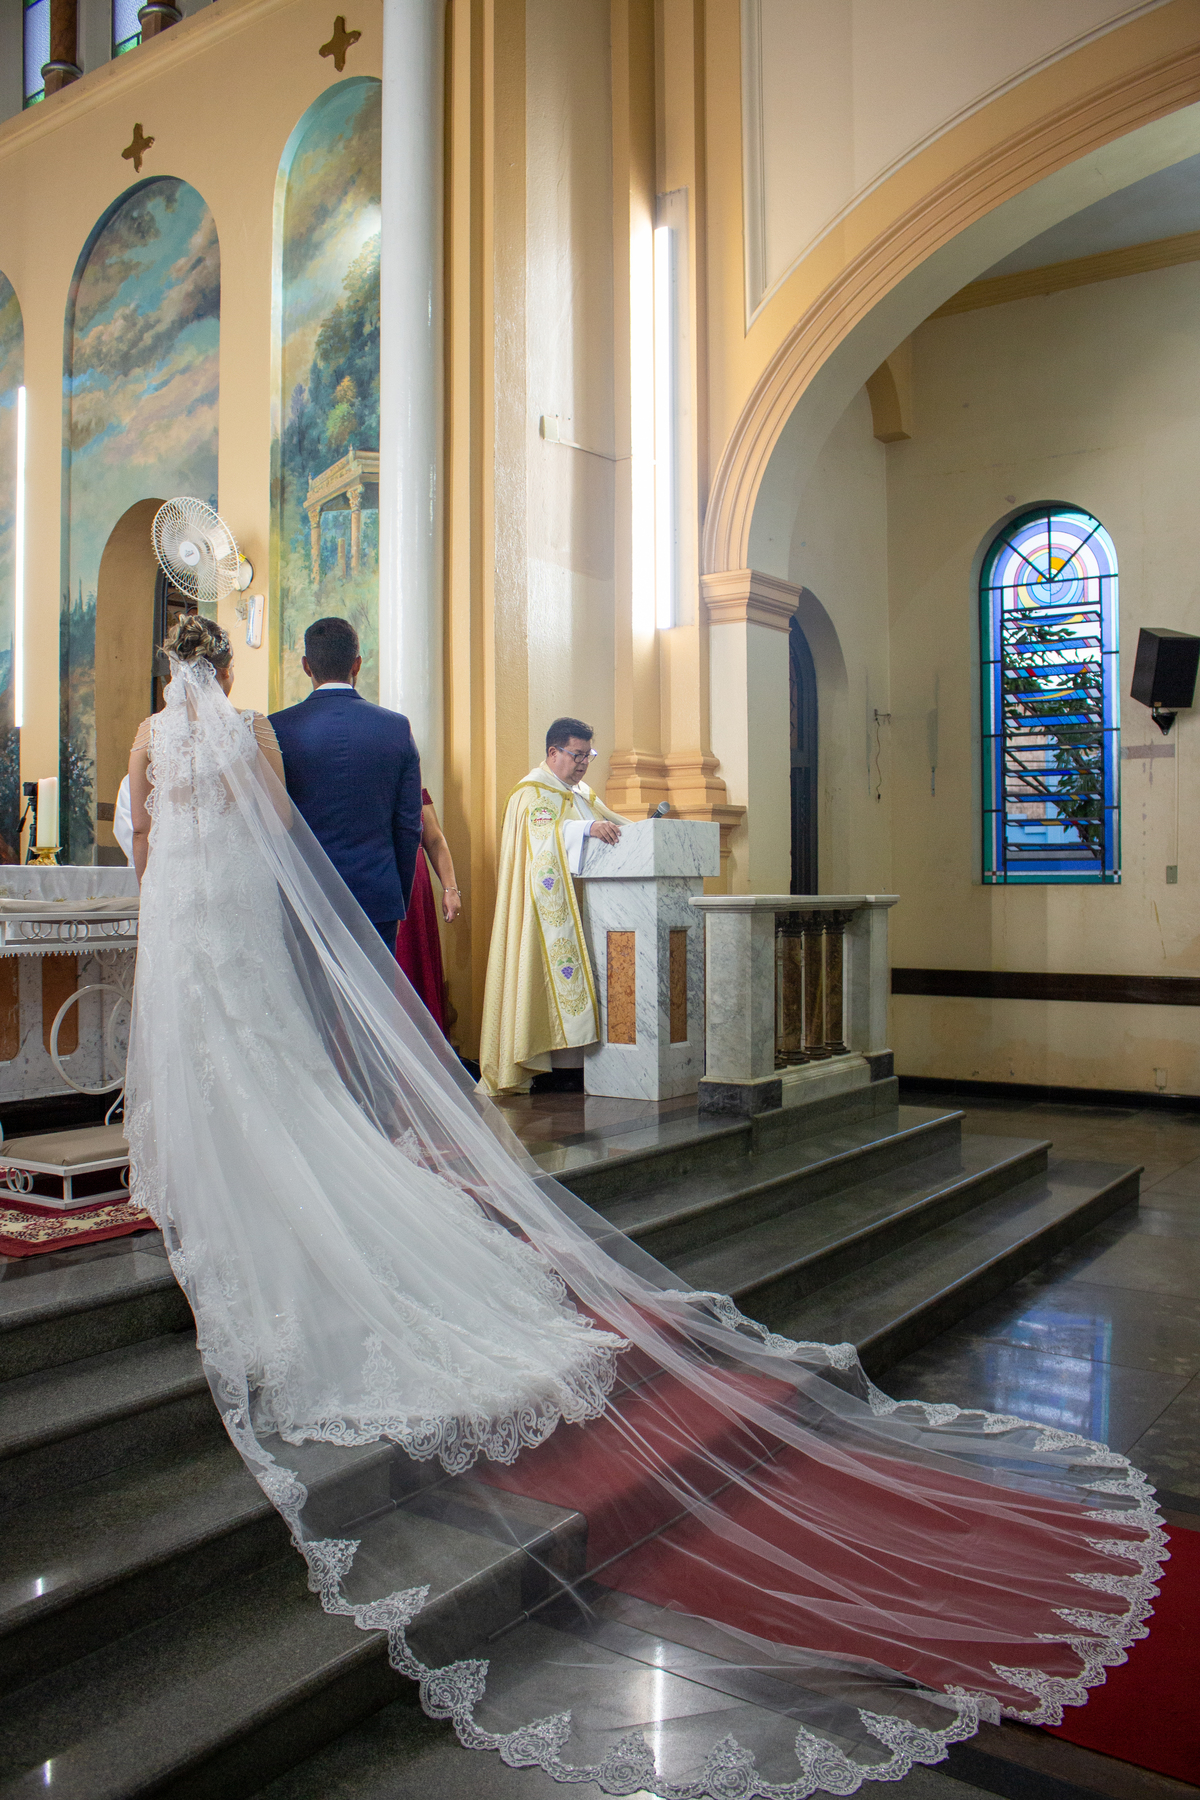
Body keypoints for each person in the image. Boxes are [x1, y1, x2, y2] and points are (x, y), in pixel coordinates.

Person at [122, 624, 1167, 1800]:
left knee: (237, 1053)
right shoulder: (289, 732)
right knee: (292, 1065)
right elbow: (311, 824)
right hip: (311, 896)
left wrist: (173, 877)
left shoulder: (178, 734)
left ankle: (229, 1158)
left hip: (203, 911)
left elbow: (148, 831)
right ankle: (337, 1151)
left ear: (178, 670)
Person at [478, 717, 629, 1095]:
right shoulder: (531, 794)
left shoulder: (582, 793)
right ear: (553, 752)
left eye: (588, 755)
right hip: (541, 915)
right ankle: (548, 1067)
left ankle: (578, 1066)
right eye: (577, 755)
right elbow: (542, 839)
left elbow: (615, 824)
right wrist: (586, 829)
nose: (584, 763)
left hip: (589, 906)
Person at [269, 616, 422, 950]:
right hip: (377, 896)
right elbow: (409, 826)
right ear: (357, 664)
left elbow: (271, 822)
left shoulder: (276, 729)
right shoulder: (396, 727)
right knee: (373, 987)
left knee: (311, 987)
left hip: (305, 895)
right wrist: (397, 896)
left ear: (306, 666)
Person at [393, 788, 460, 1034]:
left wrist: (450, 888)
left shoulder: (411, 780)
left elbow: (434, 840)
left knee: (416, 968)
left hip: (415, 889)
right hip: (384, 878)